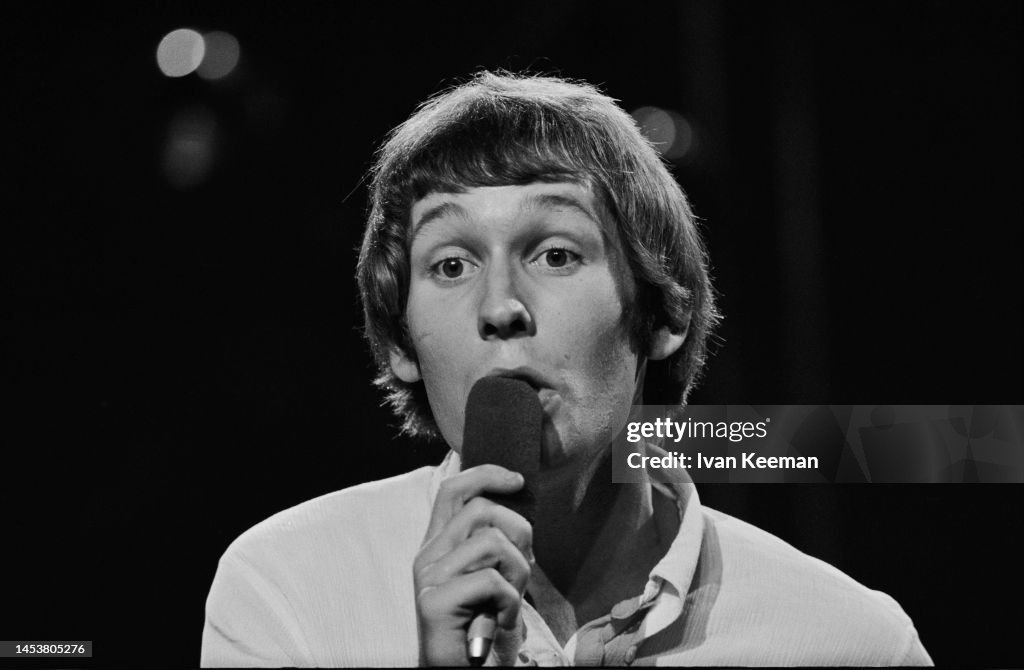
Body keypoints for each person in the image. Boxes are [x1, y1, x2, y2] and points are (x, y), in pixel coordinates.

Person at [201, 71, 932, 666]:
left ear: (663, 313)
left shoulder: (849, 641)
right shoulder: (288, 592)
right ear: (400, 342)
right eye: (451, 264)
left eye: (555, 253)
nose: (501, 307)